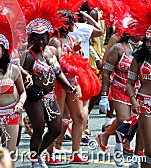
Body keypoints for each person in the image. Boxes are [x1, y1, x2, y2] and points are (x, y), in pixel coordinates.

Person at [20, 18, 77, 168]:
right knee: (38, 129)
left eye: (43, 38)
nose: (40, 41)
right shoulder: (28, 55)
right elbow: (21, 77)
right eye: (37, 38)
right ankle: (34, 161)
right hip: (34, 97)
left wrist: (69, 87)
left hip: (50, 95)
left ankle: (37, 154)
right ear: (31, 38)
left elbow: (58, 73)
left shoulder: (52, 51)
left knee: (56, 129)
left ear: (48, 37)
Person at [98, 20, 143, 165]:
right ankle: (117, 150)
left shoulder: (145, 49)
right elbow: (106, 73)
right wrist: (104, 96)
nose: (140, 33)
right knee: (124, 120)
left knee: (131, 122)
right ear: (128, 31)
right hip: (119, 88)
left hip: (138, 91)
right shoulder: (118, 48)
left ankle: (107, 136)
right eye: (136, 30)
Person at [48, 10, 89, 164]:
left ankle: (75, 154)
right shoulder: (54, 41)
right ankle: (50, 153)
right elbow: (58, 63)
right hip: (59, 82)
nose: (74, 25)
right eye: (72, 22)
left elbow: (69, 58)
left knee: (78, 116)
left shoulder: (70, 39)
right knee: (56, 119)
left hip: (72, 81)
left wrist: (75, 53)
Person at [127, 29, 151, 168]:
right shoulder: (138, 59)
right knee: (150, 150)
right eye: (147, 41)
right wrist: (133, 100)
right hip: (145, 104)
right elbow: (130, 83)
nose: (149, 44)